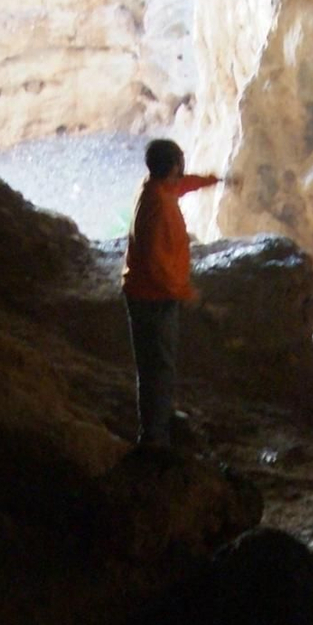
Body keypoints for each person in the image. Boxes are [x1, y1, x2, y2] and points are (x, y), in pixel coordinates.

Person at [120, 138, 231, 445]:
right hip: (152, 298)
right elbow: (158, 266)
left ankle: (161, 420)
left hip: (151, 294)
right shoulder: (158, 207)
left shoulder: (157, 188)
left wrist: (215, 180)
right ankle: (154, 438)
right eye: (181, 163)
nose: (183, 169)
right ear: (173, 167)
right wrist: (189, 296)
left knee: (159, 364)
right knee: (157, 367)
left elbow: (183, 185)